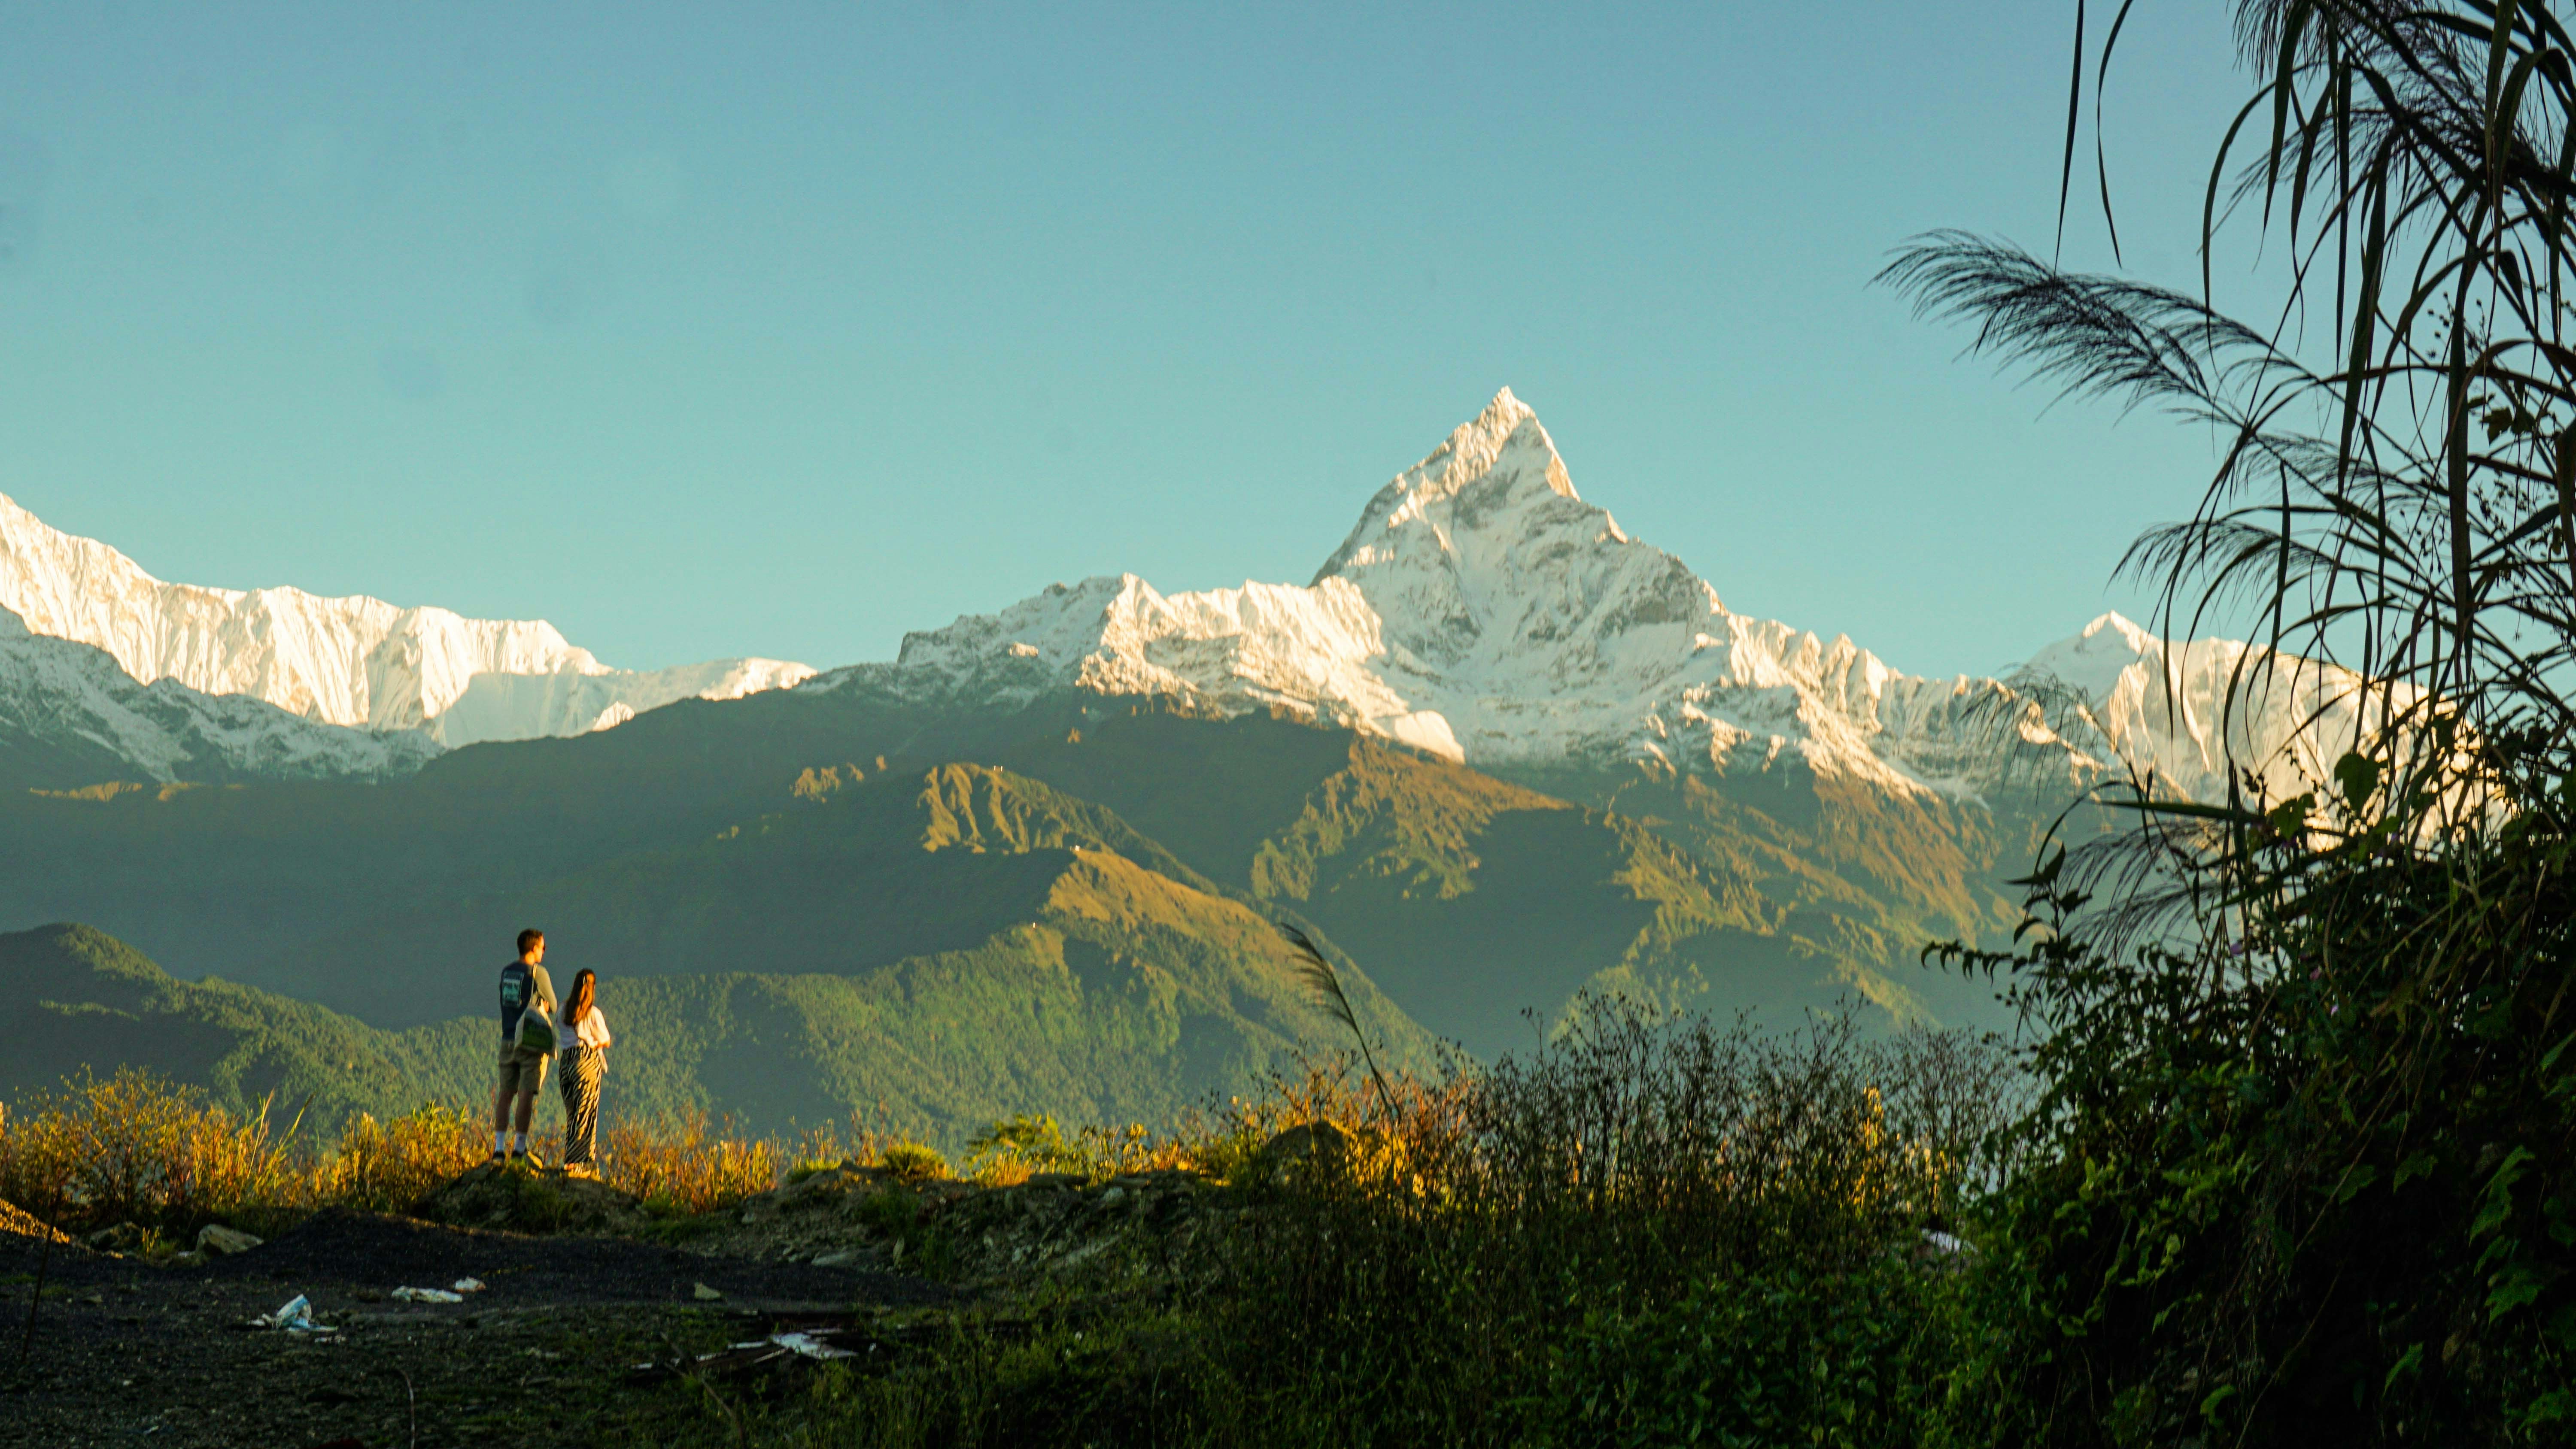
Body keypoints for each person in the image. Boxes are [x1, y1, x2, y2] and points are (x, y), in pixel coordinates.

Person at [491, 928, 556, 1163]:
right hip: (529, 1042)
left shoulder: (507, 972)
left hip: (507, 1039)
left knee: (506, 1095)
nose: (544, 950)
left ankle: (499, 1150)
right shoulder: (538, 973)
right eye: (542, 946)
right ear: (533, 948)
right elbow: (554, 1004)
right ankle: (519, 1149)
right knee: (526, 1094)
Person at [556, 968, 613, 1176]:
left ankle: (570, 1159)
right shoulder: (593, 1013)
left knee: (573, 1113)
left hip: (565, 1065)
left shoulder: (562, 1010)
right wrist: (596, 1041)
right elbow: (605, 1040)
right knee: (585, 1113)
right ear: (592, 988)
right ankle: (577, 1163)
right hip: (586, 1062)